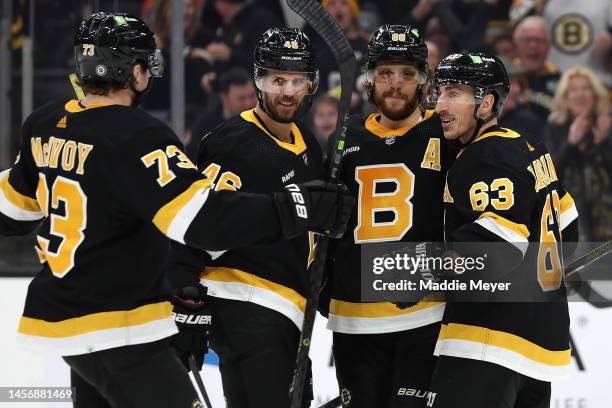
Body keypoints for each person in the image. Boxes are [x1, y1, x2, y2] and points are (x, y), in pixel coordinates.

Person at [0, 14, 352, 408]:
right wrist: (295, 207)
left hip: (64, 320)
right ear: (134, 72)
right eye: (146, 65)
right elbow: (203, 222)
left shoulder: (45, 125)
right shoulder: (140, 135)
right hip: (121, 323)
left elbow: (12, 214)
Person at [166, 27, 329, 408]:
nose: (287, 92)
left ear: (310, 84)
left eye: (296, 81)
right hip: (246, 305)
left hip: (285, 308)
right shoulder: (232, 142)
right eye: (277, 80)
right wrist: (184, 297)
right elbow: (198, 221)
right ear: (259, 79)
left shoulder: (305, 140)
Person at [427, 52, 579, 407]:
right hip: (542, 345)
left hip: (488, 340)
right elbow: (569, 227)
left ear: (487, 103)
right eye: (440, 92)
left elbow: (497, 248)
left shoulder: (483, 158)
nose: (440, 106)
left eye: (454, 93)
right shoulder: (528, 147)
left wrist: (423, 269)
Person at [325, 25, 453, 408]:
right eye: (385, 74)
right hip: (353, 316)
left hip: (425, 315)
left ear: (423, 80)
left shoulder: (445, 133)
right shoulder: (345, 138)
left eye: (407, 74)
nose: (395, 85)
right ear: (370, 79)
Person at [544, 65, 612, 242]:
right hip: (571, 222)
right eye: (573, 90)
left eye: (586, 88)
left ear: (595, 95)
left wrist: (603, 142)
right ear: (565, 98)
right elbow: (548, 175)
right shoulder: (555, 127)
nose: (580, 95)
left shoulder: (607, 125)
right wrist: (571, 143)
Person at [184, 66, 257, 161]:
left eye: (252, 96)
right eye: (241, 98)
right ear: (224, 98)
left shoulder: (266, 119)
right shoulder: (205, 127)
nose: (248, 103)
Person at [512, 16, 561, 122]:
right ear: (516, 45)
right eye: (527, 40)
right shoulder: (504, 77)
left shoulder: (560, 80)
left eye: (539, 40)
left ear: (548, 47)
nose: (533, 45)